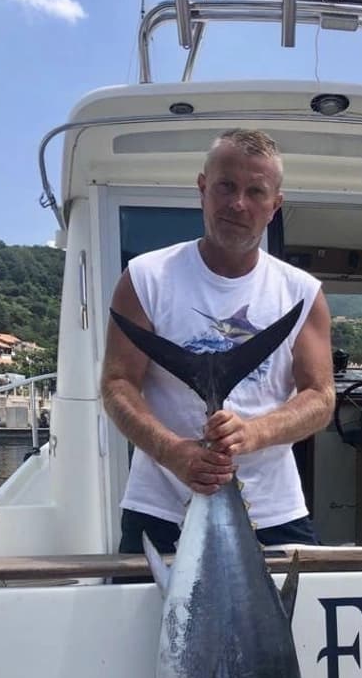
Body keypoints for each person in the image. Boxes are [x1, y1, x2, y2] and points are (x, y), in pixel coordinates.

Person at [102, 128, 335, 553]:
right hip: (162, 509)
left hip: (271, 512)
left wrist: (254, 432)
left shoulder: (302, 293)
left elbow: (320, 396)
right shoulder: (145, 278)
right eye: (226, 186)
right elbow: (117, 384)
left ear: (274, 206)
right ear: (203, 187)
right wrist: (174, 452)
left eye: (255, 191)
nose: (238, 203)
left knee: (287, 621)